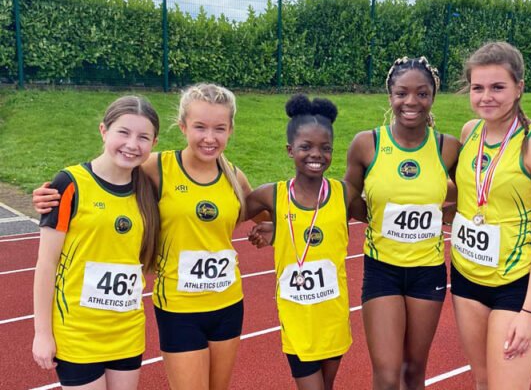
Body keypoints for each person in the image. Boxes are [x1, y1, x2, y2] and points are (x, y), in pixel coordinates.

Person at [33, 83, 257, 390]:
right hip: (176, 308)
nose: (209, 137)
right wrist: (51, 194)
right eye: (199, 127)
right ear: (183, 127)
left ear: (230, 130)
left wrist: (270, 227)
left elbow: (262, 211)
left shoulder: (233, 175)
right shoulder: (155, 168)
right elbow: (107, 175)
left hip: (225, 303)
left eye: (219, 128)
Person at [449, 41, 531, 389]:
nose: (486, 97)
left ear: (519, 88)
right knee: (482, 381)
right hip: (466, 277)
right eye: (478, 88)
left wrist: (529, 311)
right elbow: (466, 197)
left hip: (513, 285)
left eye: (498, 87)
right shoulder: (470, 132)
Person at [344, 57, 461, 390]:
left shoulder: (448, 147)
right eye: (402, 93)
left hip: (428, 272)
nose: (411, 102)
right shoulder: (366, 144)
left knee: (413, 372)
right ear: (390, 96)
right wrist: (373, 216)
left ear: (433, 97)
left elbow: (474, 192)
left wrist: (445, 215)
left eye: (422, 93)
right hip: (382, 270)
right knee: (386, 374)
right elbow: (346, 196)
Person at [32, 95, 161, 389]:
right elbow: (46, 263)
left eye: (143, 137)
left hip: (127, 331)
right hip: (78, 332)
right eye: (123, 132)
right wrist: (42, 333)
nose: (132, 144)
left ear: (154, 143)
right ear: (104, 130)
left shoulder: (150, 189)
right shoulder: (69, 183)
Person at [245, 94, 357, 390]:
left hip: (333, 316)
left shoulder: (344, 194)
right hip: (297, 319)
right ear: (289, 150)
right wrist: (275, 227)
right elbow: (227, 215)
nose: (316, 155)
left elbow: (378, 216)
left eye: (325, 148)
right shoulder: (272, 195)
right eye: (306, 147)